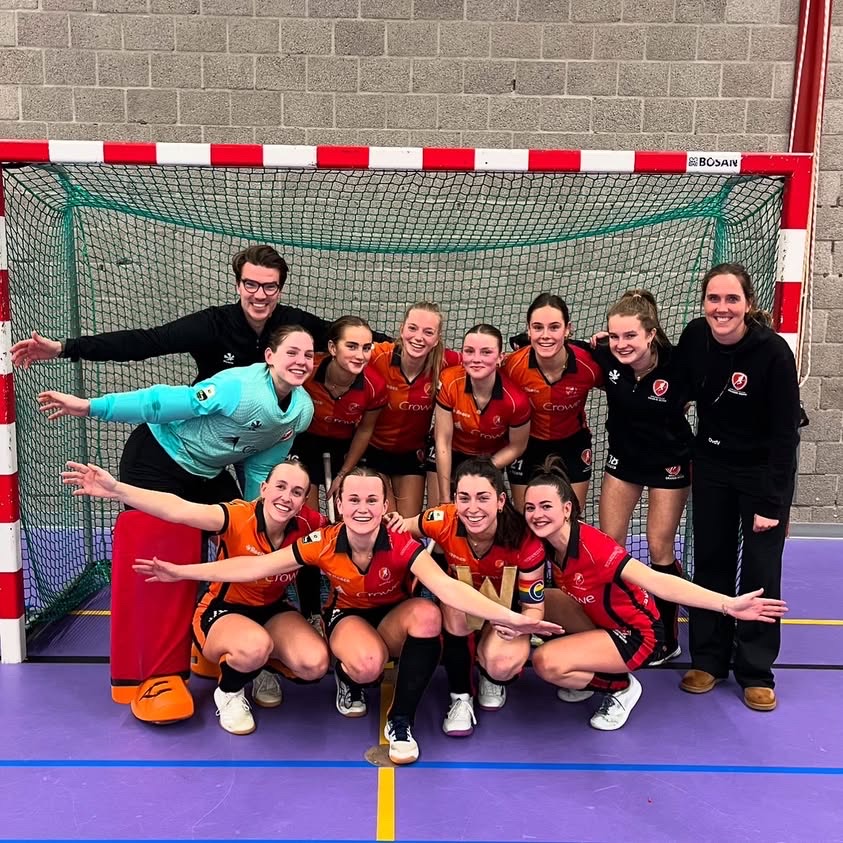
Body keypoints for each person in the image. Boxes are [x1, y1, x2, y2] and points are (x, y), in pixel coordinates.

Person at [134, 466, 562, 764]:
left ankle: (400, 722)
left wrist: (517, 619)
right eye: (353, 499)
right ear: (339, 504)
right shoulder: (322, 540)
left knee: (429, 614)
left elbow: (448, 588)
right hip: (348, 619)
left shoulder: (401, 543)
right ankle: (341, 676)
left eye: (372, 500)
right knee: (363, 665)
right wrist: (183, 572)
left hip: (393, 619)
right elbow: (253, 566)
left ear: (385, 505)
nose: (362, 507)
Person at [37, 325, 316, 724]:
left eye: (308, 355)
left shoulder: (301, 410)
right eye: (292, 352)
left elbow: (262, 467)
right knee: (160, 555)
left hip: (206, 472)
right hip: (158, 458)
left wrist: (260, 519)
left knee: (241, 539)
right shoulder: (238, 388)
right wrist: (91, 407)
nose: (300, 361)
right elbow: (163, 402)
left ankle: (213, 642)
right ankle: (155, 675)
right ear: (270, 356)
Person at [61, 457, 329, 736]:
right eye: (280, 486)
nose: (286, 497)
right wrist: (117, 489)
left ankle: (262, 669)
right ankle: (229, 692)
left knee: (314, 664)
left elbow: (342, 531)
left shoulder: (308, 524)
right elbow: (178, 509)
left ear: (303, 501)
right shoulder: (237, 516)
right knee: (254, 646)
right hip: (225, 610)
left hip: (272, 609)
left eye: (296, 492)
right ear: (264, 488)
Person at [523, 458, 788, 730]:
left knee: (547, 662)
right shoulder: (545, 543)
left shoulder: (595, 548)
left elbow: (657, 582)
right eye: (530, 507)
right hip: (600, 620)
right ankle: (588, 672)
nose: (537, 514)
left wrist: (726, 604)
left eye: (546, 506)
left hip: (636, 634)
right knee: (544, 600)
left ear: (567, 509)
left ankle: (620, 687)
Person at [676, 263, 801, 711]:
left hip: (762, 473)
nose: (722, 307)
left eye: (732, 299)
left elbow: (786, 437)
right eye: (714, 298)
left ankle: (755, 670)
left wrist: (774, 502)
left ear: (748, 304)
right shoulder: (695, 337)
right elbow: (670, 378)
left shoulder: (773, 353)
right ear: (703, 303)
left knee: (761, 573)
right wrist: (610, 351)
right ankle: (708, 658)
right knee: (711, 561)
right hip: (712, 467)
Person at [11, 244, 358, 379]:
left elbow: (348, 338)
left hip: (265, 433)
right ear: (238, 285)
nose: (259, 295)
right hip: (211, 429)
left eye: (269, 287)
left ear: (279, 290)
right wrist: (64, 348)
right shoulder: (212, 324)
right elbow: (147, 342)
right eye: (251, 284)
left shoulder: (294, 324)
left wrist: (391, 347)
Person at [388, 458, 545, 738]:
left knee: (501, 665)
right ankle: (460, 696)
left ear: (500, 501)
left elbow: (534, 607)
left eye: (483, 498)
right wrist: (390, 520)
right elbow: (404, 525)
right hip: (461, 611)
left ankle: (488, 673)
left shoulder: (525, 539)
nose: (472, 508)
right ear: (455, 500)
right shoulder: (443, 520)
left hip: (505, 614)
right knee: (453, 603)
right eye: (464, 498)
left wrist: (519, 625)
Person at [589, 290, 693, 665]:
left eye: (630, 335)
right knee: (610, 545)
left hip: (669, 463)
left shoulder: (678, 365)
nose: (621, 344)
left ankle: (667, 637)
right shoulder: (606, 356)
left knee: (659, 547)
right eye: (615, 335)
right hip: (624, 462)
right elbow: (561, 353)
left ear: (650, 334)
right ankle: (621, 622)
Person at [503, 293, 602, 512]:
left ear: (568, 329)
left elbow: (623, 382)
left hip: (572, 444)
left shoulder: (588, 365)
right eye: (537, 327)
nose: (545, 336)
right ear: (528, 330)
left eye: (554, 327)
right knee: (526, 517)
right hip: (527, 445)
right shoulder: (512, 366)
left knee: (572, 516)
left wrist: (609, 342)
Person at [365, 302, 460, 516]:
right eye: (413, 328)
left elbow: (481, 361)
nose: (419, 337)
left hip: (411, 455)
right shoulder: (378, 356)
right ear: (401, 329)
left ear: (437, 339)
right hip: (372, 451)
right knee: (385, 518)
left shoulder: (446, 362)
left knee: (407, 525)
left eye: (428, 332)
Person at [429, 324, 531, 504]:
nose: (476, 359)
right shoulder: (449, 381)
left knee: (482, 509)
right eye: (469, 351)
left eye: (486, 352)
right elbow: (443, 440)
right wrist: (444, 499)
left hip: (490, 459)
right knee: (439, 512)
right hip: (451, 452)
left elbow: (517, 446)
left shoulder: (516, 400)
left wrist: (484, 468)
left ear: (500, 357)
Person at [293, 315, 387, 509]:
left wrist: (344, 473)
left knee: (346, 510)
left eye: (366, 348)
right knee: (306, 514)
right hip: (304, 442)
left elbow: (365, 430)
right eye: (351, 346)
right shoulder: (307, 371)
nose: (360, 356)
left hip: (344, 446)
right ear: (333, 348)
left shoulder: (375, 386)